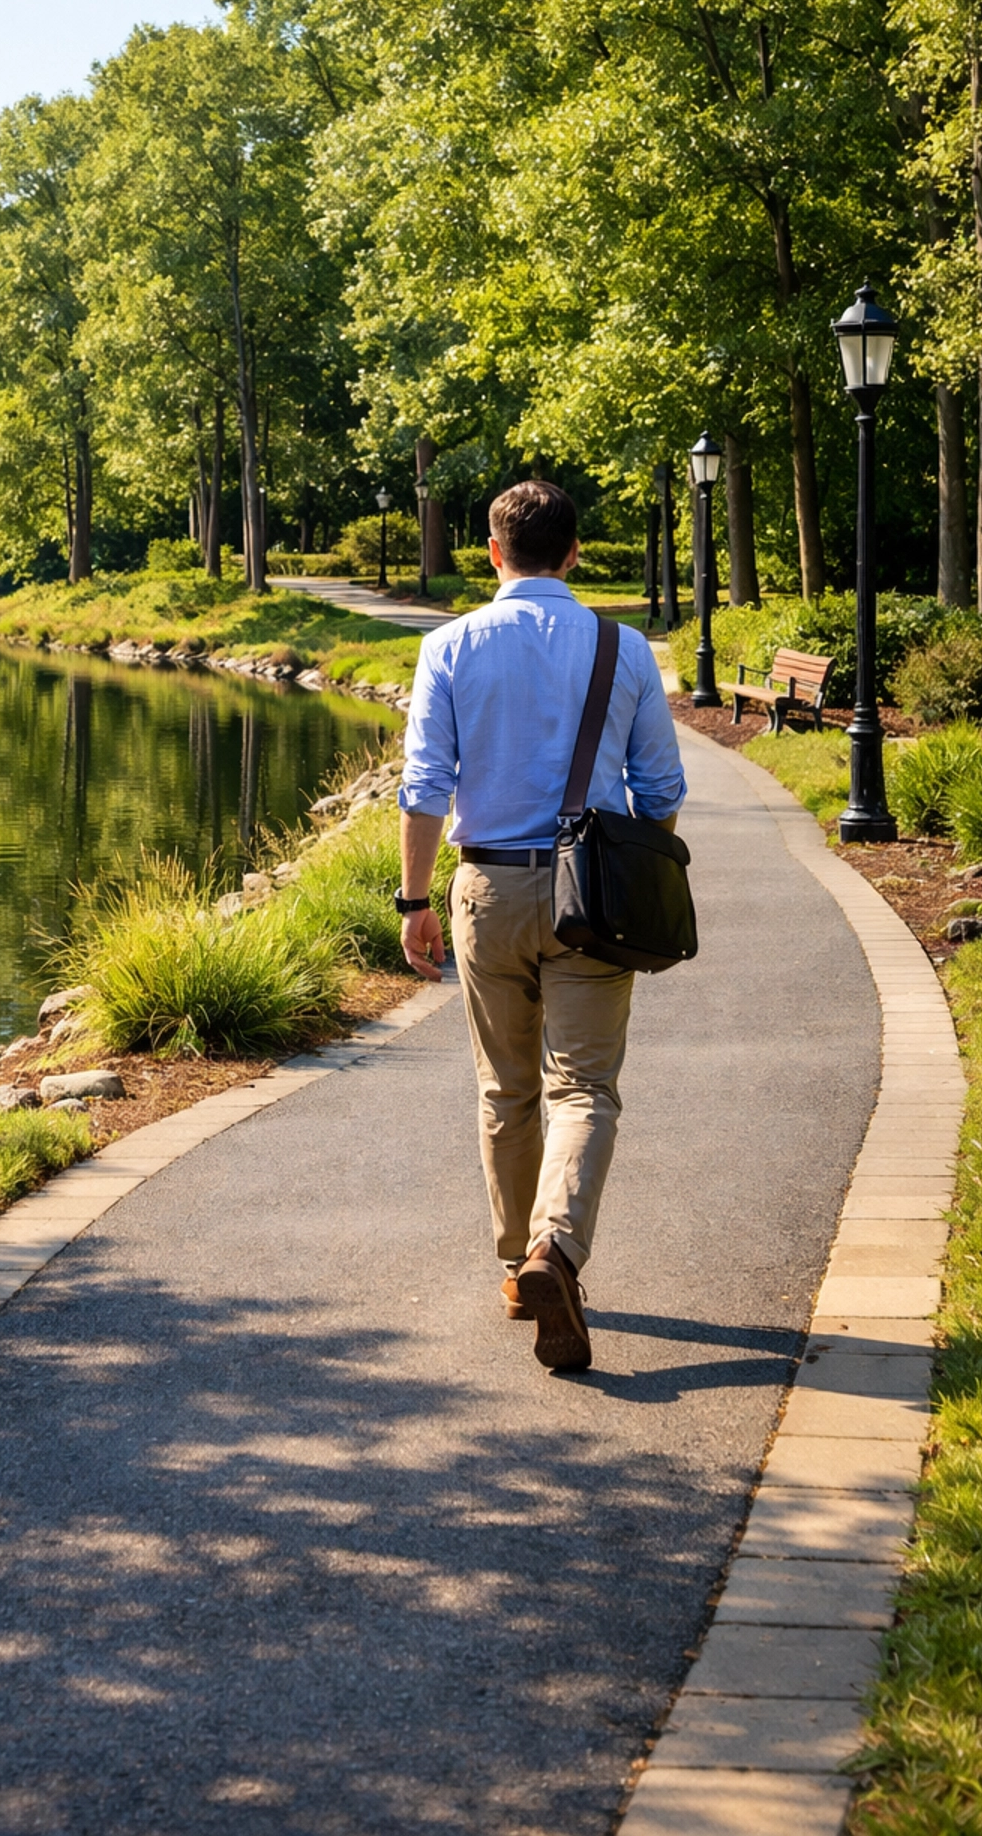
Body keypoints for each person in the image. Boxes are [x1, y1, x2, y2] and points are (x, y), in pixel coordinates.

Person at [395, 479, 686, 1372]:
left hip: (487, 892)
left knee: (506, 1089)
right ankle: (556, 1249)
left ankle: (519, 1268)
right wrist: (629, 877)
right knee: (584, 1089)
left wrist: (413, 903)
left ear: (492, 553)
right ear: (571, 554)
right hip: (591, 896)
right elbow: (662, 794)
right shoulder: (623, 647)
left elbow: (424, 789)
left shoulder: (448, 645)